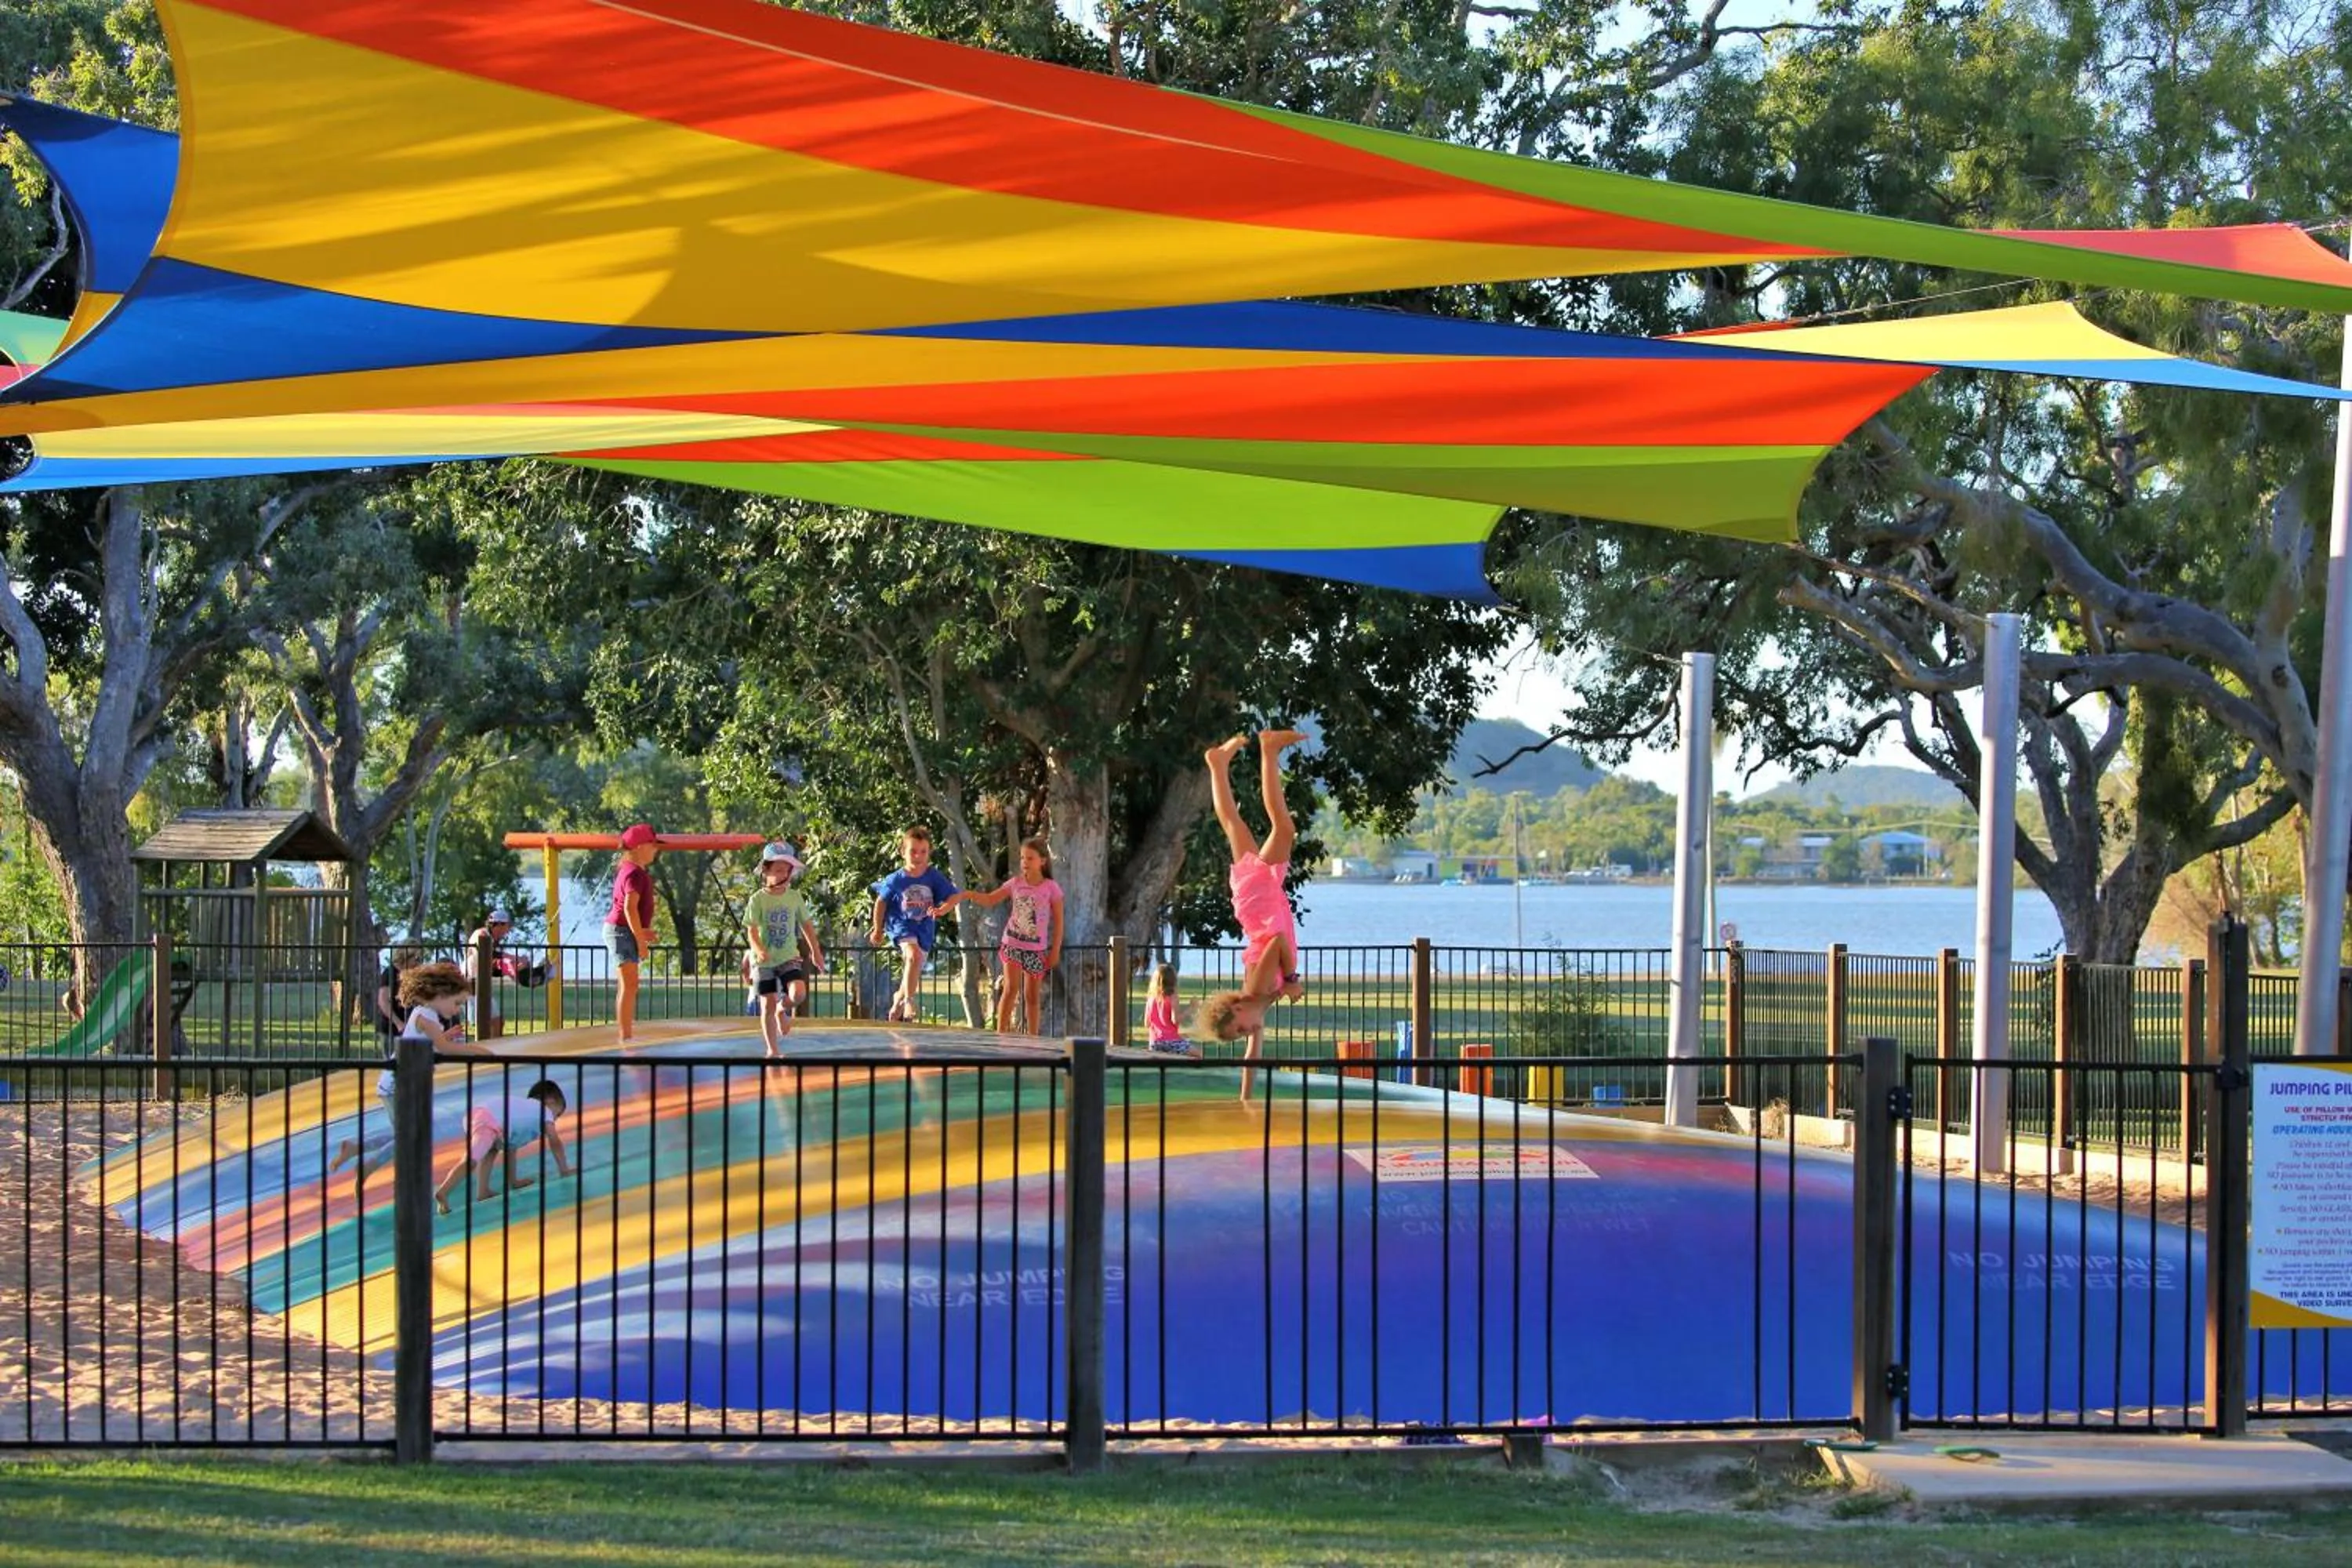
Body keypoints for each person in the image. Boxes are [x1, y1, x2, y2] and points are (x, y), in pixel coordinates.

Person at [1195, 729, 1308, 1099]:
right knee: (1234, 826)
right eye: (1243, 1035)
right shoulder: (1261, 1003)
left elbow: (1276, 942)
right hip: (1255, 903)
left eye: (1241, 1029)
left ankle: (1269, 750)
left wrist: (1291, 978)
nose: (1248, 1033)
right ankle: (1217, 764)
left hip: (1261, 904)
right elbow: (1252, 1058)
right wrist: (1245, 1100)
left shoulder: (1259, 989)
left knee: (1283, 828)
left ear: (1238, 1008)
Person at [332, 960, 490, 1180]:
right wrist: (478, 1051)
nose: (457, 1010)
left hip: (399, 1082)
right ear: (440, 995)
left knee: (407, 1132)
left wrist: (444, 1036)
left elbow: (427, 1043)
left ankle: (355, 1149)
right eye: (457, 1003)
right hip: (399, 1084)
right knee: (409, 1135)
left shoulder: (425, 1015)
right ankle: (368, 1165)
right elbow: (444, 1049)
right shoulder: (427, 1018)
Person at [953, 837, 1063, 1035]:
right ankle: (1001, 1033)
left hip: (1036, 949)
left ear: (1043, 861)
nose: (1024, 862)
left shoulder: (1051, 888)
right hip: (1012, 944)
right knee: (1010, 989)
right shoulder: (1015, 883)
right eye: (1022, 858)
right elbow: (989, 899)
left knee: (1031, 996)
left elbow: (1059, 921)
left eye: (1030, 858)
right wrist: (968, 894)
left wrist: (1055, 950)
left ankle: (1033, 1037)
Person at [434, 1076, 572, 1214]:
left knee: (491, 1150)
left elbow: (511, 1149)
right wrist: (564, 1169)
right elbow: (555, 1142)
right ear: (551, 1102)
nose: (555, 1119)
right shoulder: (544, 1111)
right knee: (471, 1160)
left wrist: (514, 1181)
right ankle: (444, 1191)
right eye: (558, 1114)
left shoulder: (522, 1110)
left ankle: (483, 1191)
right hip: (488, 1119)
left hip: (478, 1114)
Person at [869, 826, 959, 1023]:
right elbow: (881, 902)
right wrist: (877, 929)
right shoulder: (896, 879)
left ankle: (897, 1003)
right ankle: (909, 1000)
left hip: (924, 930)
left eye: (923, 852)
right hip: (901, 926)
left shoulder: (933, 876)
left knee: (914, 965)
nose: (917, 856)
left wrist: (943, 909)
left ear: (929, 853)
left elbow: (953, 896)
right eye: (913, 851)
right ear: (903, 852)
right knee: (913, 955)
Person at [744, 840, 825, 1057]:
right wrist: (759, 949)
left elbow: (807, 925)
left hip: (789, 956)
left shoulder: (794, 897)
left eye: (787, 871)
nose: (783, 875)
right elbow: (751, 931)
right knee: (766, 1005)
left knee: (798, 994)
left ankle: (783, 1009)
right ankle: (772, 1049)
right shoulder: (758, 900)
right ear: (766, 871)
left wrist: (816, 953)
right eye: (778, 870)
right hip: (764, 961)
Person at [605, 823, 660, 1043]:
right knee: (630, 985)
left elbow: (632, 910)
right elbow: (629, 908)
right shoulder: (634, 873)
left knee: (627, 985)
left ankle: (625, 1034)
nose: (656, 849)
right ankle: (625, 1036)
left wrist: (642, 931)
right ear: (638, 847)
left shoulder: (630, 871)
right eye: (652, 845)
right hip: (620, 932)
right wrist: (640, 941)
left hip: (622, 930)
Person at [462, 909, 514, 1040]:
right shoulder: (482, 935)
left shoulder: (489, 938)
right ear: (498, 925)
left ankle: (492, 1052)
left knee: (496, 1022)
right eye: (506, 927)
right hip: (472, 984)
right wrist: (512, 959)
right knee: (486, 1023)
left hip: (480, 984)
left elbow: (491, 961)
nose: (507, 932)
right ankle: (488, 1054)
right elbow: (487, 956)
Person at [1144, 962, 1196, 1057]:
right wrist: (1190, 1009)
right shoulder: (1173, 997)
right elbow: (1175, 1020)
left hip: (1154, 1043)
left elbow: (1147, 1023)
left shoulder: (1151, 998)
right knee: (1197, 1054)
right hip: (1171, 1042)